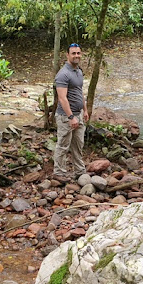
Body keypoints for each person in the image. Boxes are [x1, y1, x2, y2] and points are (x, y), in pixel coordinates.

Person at [53, 43, 89, 183]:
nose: (76, 56)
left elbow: (79, 92)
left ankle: (79, 171)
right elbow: (62, 98)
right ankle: (59, 173)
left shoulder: (78, 71)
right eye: (73, 53)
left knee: (78, 144)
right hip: (65, 116)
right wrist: (70, 117)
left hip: (78, 114)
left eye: (78, 53)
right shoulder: (63, 74)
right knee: (63, 145)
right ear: (67, 55)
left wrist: (85, 110)